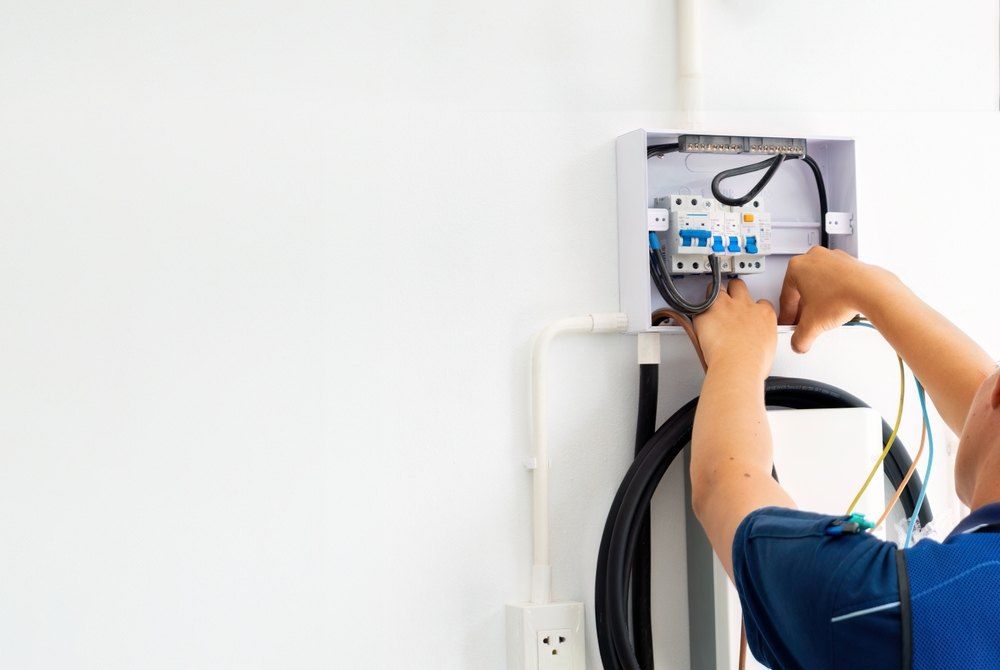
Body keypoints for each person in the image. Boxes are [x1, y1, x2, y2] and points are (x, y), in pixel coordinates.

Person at [689, 246, 1000, 669]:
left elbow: (722, 479)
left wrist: (736, 354)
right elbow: (985, 414)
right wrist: (865, 286)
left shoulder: (881, 606)